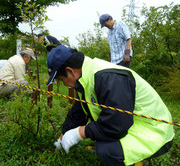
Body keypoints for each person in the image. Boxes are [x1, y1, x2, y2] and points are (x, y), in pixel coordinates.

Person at [46, 45, 174, 166]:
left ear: (70, 71)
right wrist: (64, 135)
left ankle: (133, 162)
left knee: (106, 150)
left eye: (62, 80)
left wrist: (80, 133)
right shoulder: (86, 76)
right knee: (101, 136)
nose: (65, 85)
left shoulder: (108, 77)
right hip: (133, 123)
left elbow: (116, 124)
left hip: (155, 131)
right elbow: (79, 111)